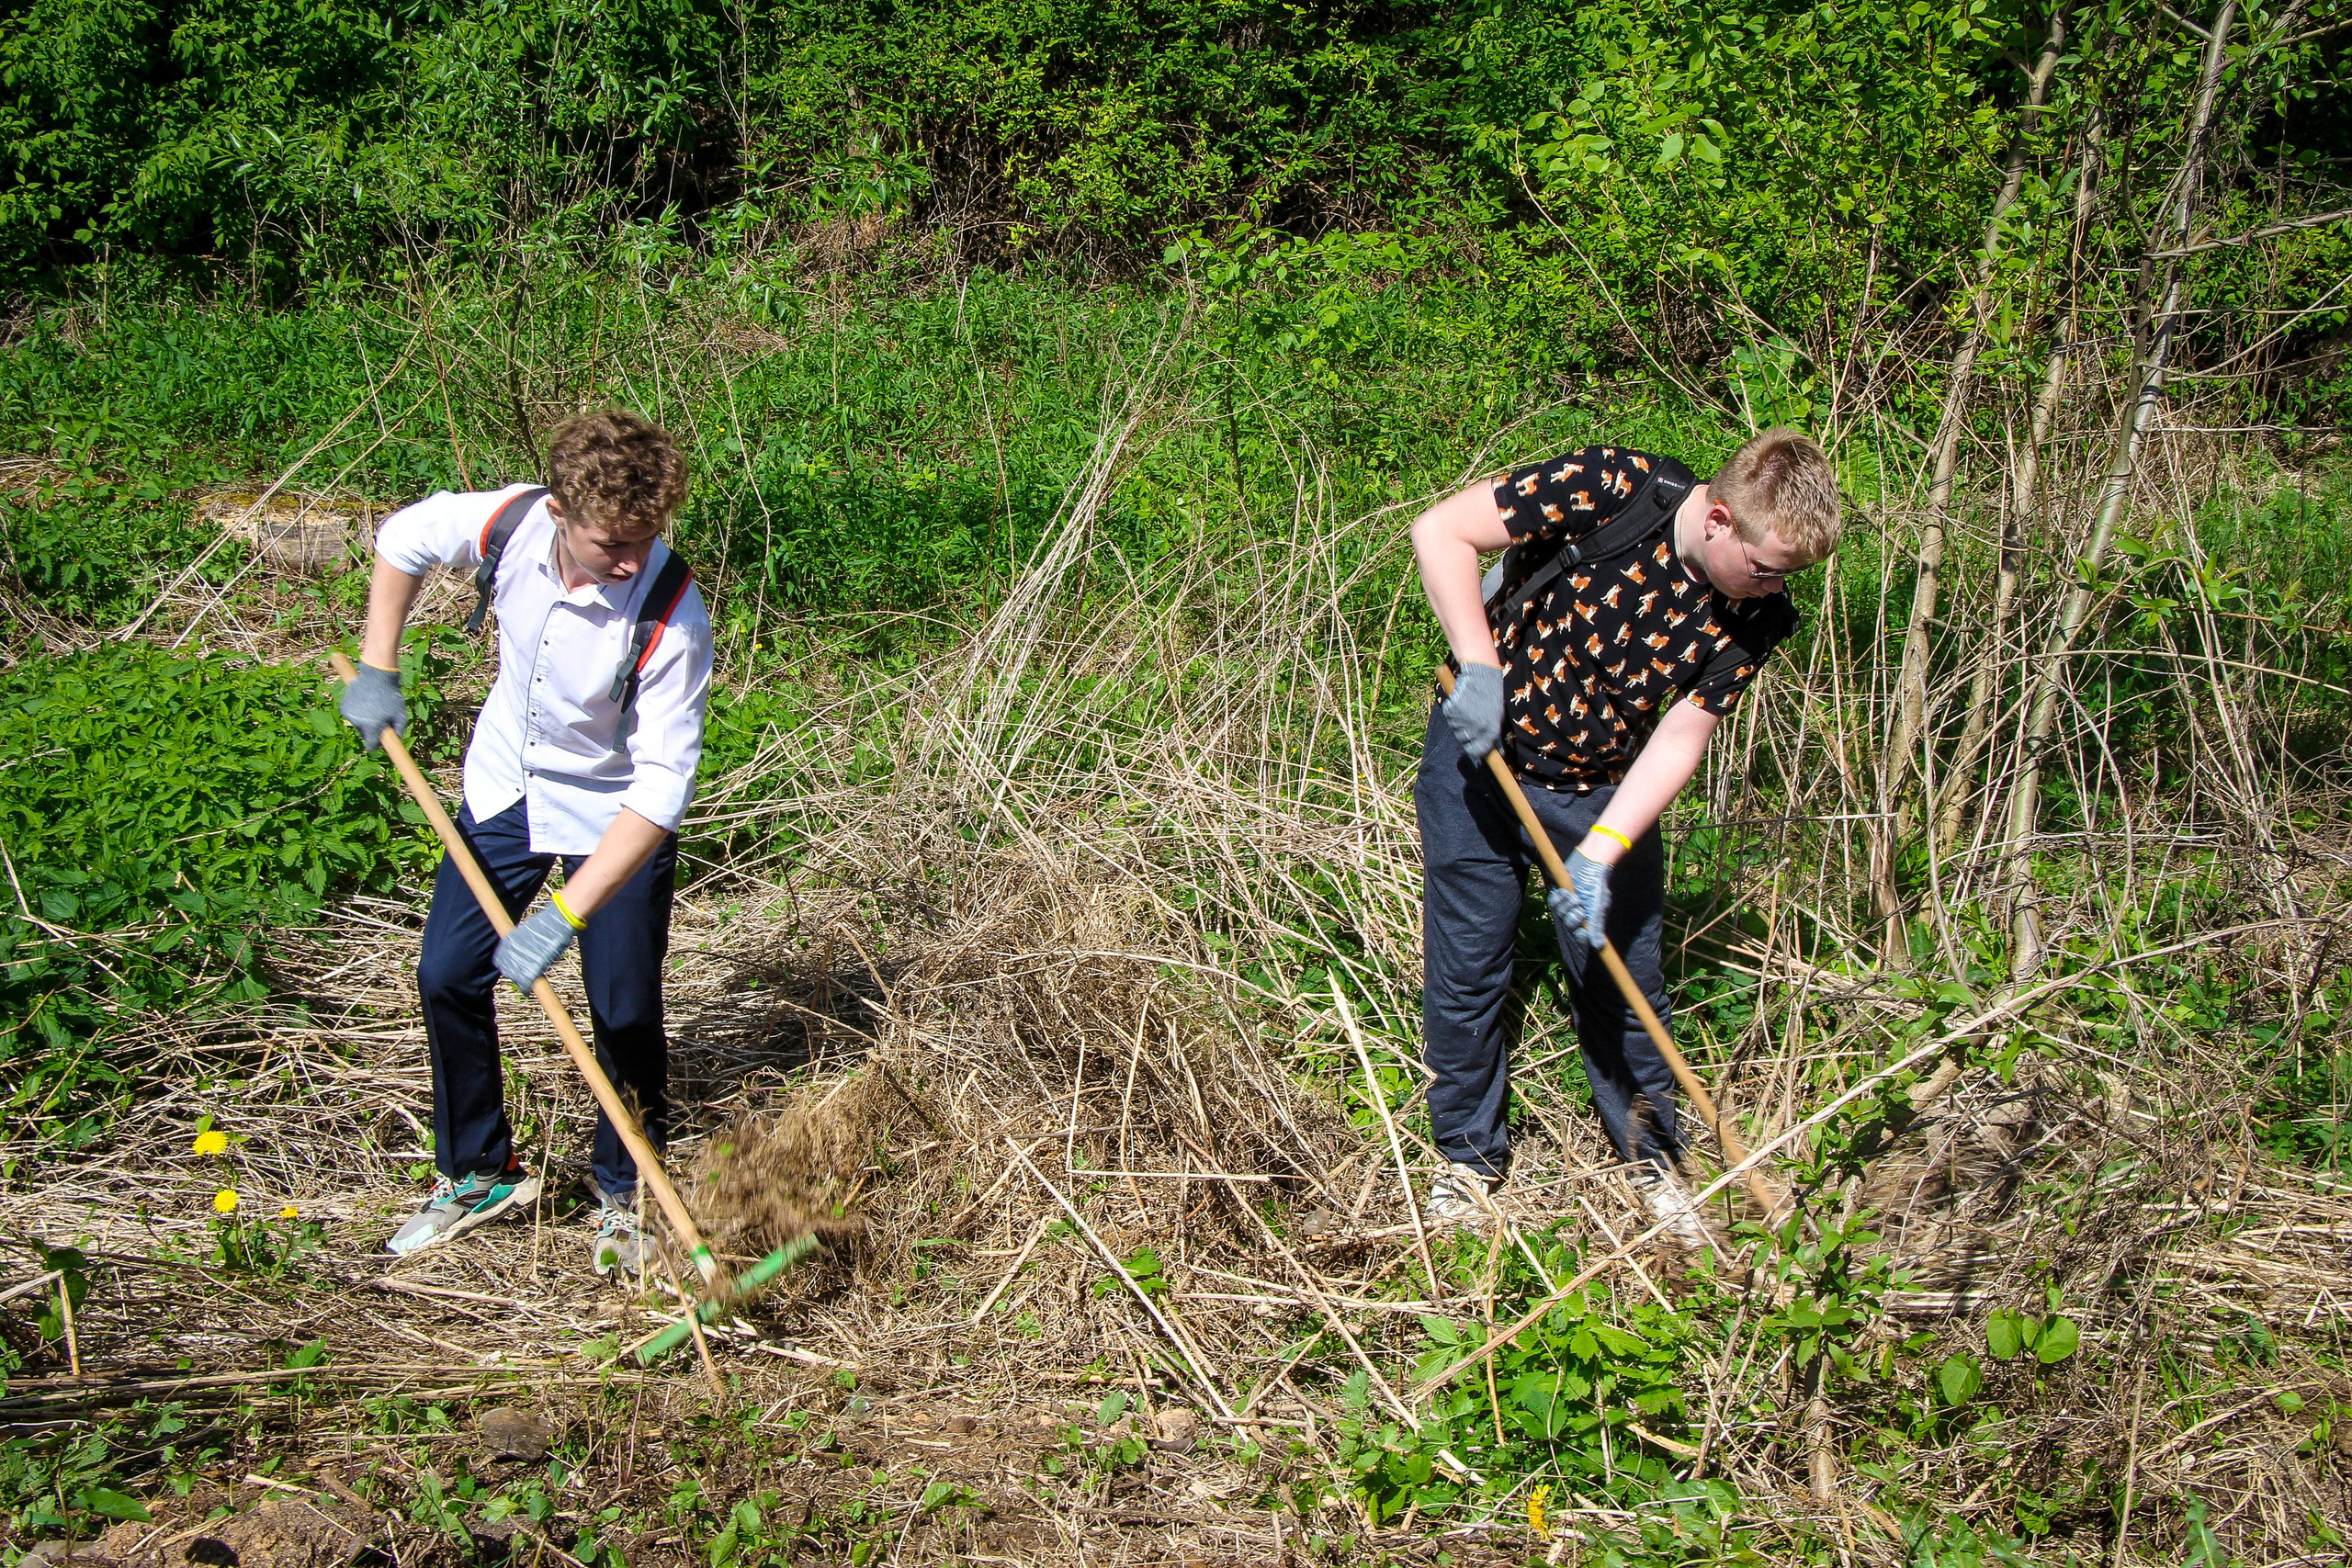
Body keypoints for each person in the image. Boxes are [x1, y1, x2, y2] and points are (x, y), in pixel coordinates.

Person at [1409, 428, 1841, 1237]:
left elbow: (1683, 734)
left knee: (1628, 982)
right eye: (1765, 566)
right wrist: (1478, 667)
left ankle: (1653, 1160)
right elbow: (1442, 531)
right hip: (1481, 761)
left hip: (1601, 788)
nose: (1770, 590)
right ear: (1719, 519)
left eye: (1788, 577)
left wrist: (1602, 852)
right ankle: (1467, 1161)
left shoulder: (1758, 619)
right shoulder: (1610, 485)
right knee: (1469, 968)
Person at [338, 411, 711, 1274]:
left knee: (620, 1008)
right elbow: (403, 537)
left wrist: (563, 917)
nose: (630, 559)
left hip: (616, 818)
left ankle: (628, 1191)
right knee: (446, 973)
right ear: (557, 511)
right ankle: (477, 1170)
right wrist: (378, 667)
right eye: (610, 541)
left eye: (645, 538)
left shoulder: (671, 614)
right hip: (508, 786)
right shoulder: (508, 522)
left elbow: (661, 789)